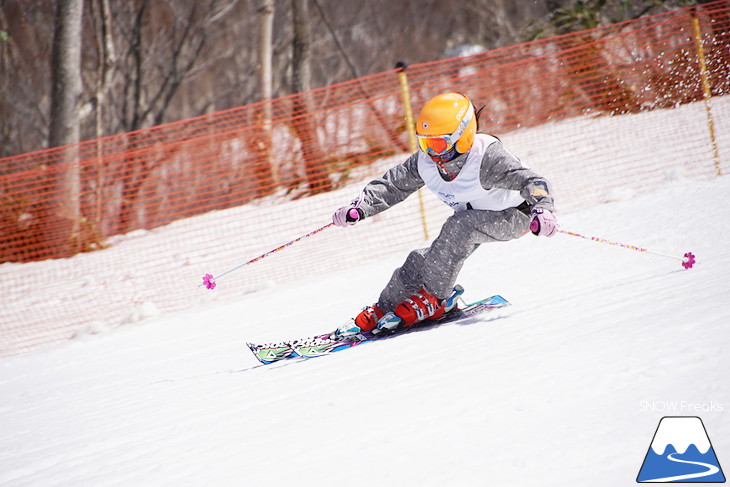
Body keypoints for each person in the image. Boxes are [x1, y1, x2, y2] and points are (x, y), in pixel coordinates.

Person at [332, 92, 556, 335]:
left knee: (459, 227)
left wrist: (542, 210)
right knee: (419, 261)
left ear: (463, 136)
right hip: (472, 219)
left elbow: (533, 181)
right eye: (425, 144)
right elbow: (392, 184)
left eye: (438, 144)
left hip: (516, 215)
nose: (432, 153)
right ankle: (385, 308)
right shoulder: (425, 162)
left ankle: (435, 298)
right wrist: (360, 207)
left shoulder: (486, 157)